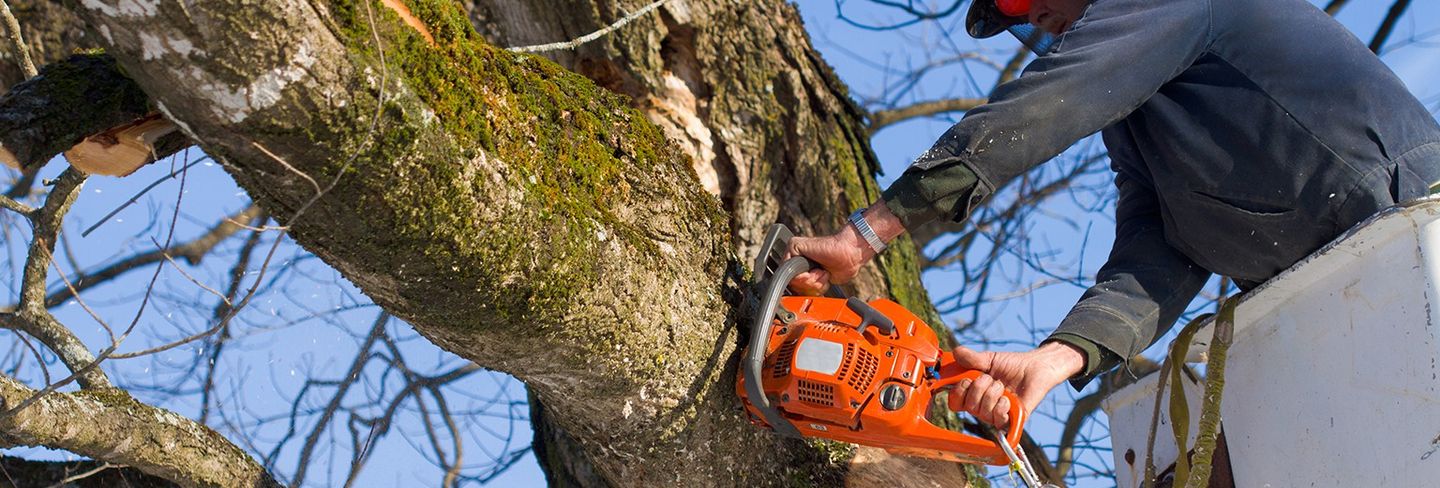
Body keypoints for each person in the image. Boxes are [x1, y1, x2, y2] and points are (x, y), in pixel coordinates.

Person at [788, 0, 1440, 428]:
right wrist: (1058, 357)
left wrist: (866, 232)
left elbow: (1049, 103)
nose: (1030, 14)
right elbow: (1162, 248)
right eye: (1009, 8)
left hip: (1414, 229)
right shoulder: (1138, 121)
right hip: (1337, 303)